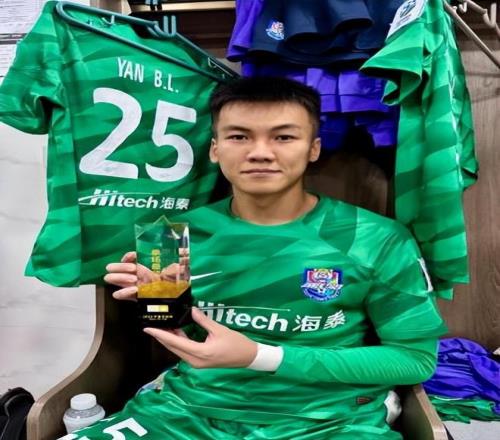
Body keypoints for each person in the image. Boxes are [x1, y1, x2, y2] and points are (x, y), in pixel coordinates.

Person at [68, 77, 447, 439]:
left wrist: (259, 356)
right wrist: (158, 302)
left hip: (328, 418)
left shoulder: (378, 239)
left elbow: (414, 360)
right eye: (239, 136)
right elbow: (177, 337)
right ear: (215, 149)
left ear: (313, 148)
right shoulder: (167, 235)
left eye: (283, 137)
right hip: (189, 411)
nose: (260, 152)